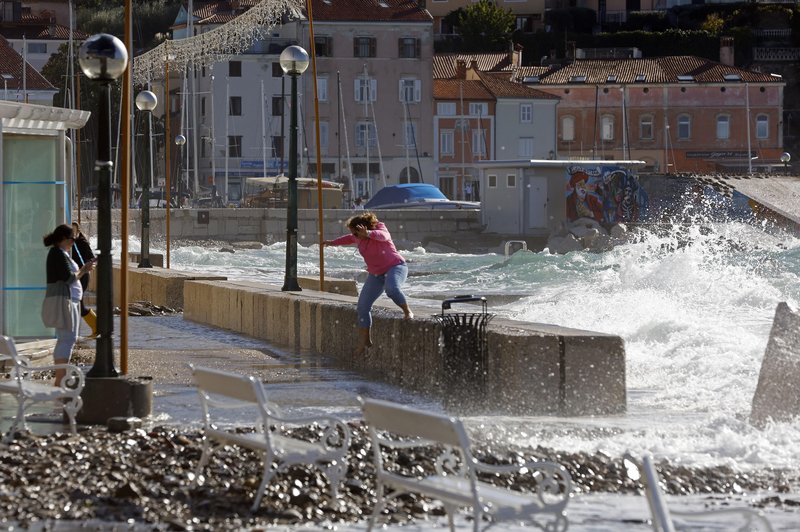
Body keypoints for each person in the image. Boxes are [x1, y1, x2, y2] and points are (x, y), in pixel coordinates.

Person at [323, 213, 413, 355]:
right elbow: (348, 239)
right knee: (362, 307)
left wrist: (368, 233)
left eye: (355, 232)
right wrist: (331, 242)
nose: (354, 235)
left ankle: (407, 312)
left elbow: (383, 237)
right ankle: (365, 341)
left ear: (363, 228)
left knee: (392, 289)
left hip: (395, 267)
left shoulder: (380, 229)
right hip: (376, 274)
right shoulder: (357, 236)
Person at [43, 224, 95, 386]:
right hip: (65, 301)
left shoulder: (60, 253)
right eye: (72, 239)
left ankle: (60, 378)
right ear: (63, 239)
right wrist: (84, 269)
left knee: (66, 338)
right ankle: (60, 378)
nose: (73, 242)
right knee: (67, 339)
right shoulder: (57, 254)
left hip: (69, 301)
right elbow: (69, 278)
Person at [71, 222, 97, 338]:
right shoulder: (71, 243)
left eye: (74, 231)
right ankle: (97, 328)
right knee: (77, 305)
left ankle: (98, 327)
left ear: (78, 231)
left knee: (78, 305)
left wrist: (88, 264)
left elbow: (92, 257)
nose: (72, 233)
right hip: (77, 275)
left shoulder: (81, 242)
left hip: (82, 275)